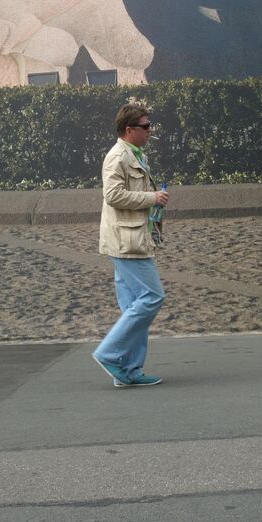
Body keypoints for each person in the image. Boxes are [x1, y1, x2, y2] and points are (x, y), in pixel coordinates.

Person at [91, 104, 171, 387]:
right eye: (145, 126)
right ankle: (109, 354)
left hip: (131, 237)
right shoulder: (117, 157)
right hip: (127, 242)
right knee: (152, 297)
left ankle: (129, 370)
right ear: (129, 130)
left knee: (134, 307)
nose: (150, 131)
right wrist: (152, 198)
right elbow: (112, 195)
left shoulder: (135, 154)